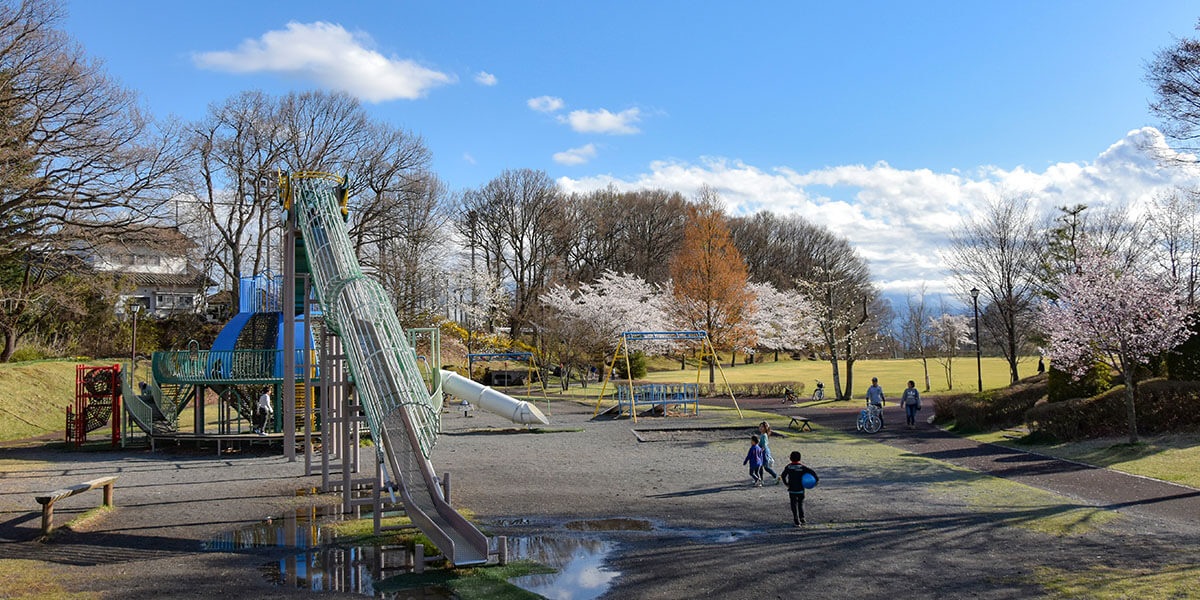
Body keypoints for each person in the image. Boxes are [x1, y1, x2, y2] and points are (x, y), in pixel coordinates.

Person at [780, 450, 819, 527]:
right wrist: (816, 481)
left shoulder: (788, 467)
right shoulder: (803, 468)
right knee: (800, 503)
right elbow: (812, 472)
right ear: (800, 459)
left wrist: (786, 484)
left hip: (792, 489)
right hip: (800, 489)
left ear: (790, 458)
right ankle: (802, 518)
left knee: (793, 504)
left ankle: (796, 520)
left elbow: (783, 476)